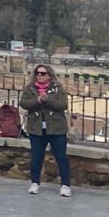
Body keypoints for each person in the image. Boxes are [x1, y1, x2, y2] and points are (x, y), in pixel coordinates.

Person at [19, 63, 71, 196]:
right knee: (36, 157)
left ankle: (65, 185)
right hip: (36, 129)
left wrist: (47, 100)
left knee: (60, 157)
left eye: (43, 73)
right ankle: (34, 182)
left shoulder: (57, 88)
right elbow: (24, 103)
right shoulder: (30, 88)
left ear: (49, 75)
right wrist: (37, 101)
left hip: (56, 129)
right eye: (37, 73)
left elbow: (63, 105)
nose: (40, 76)